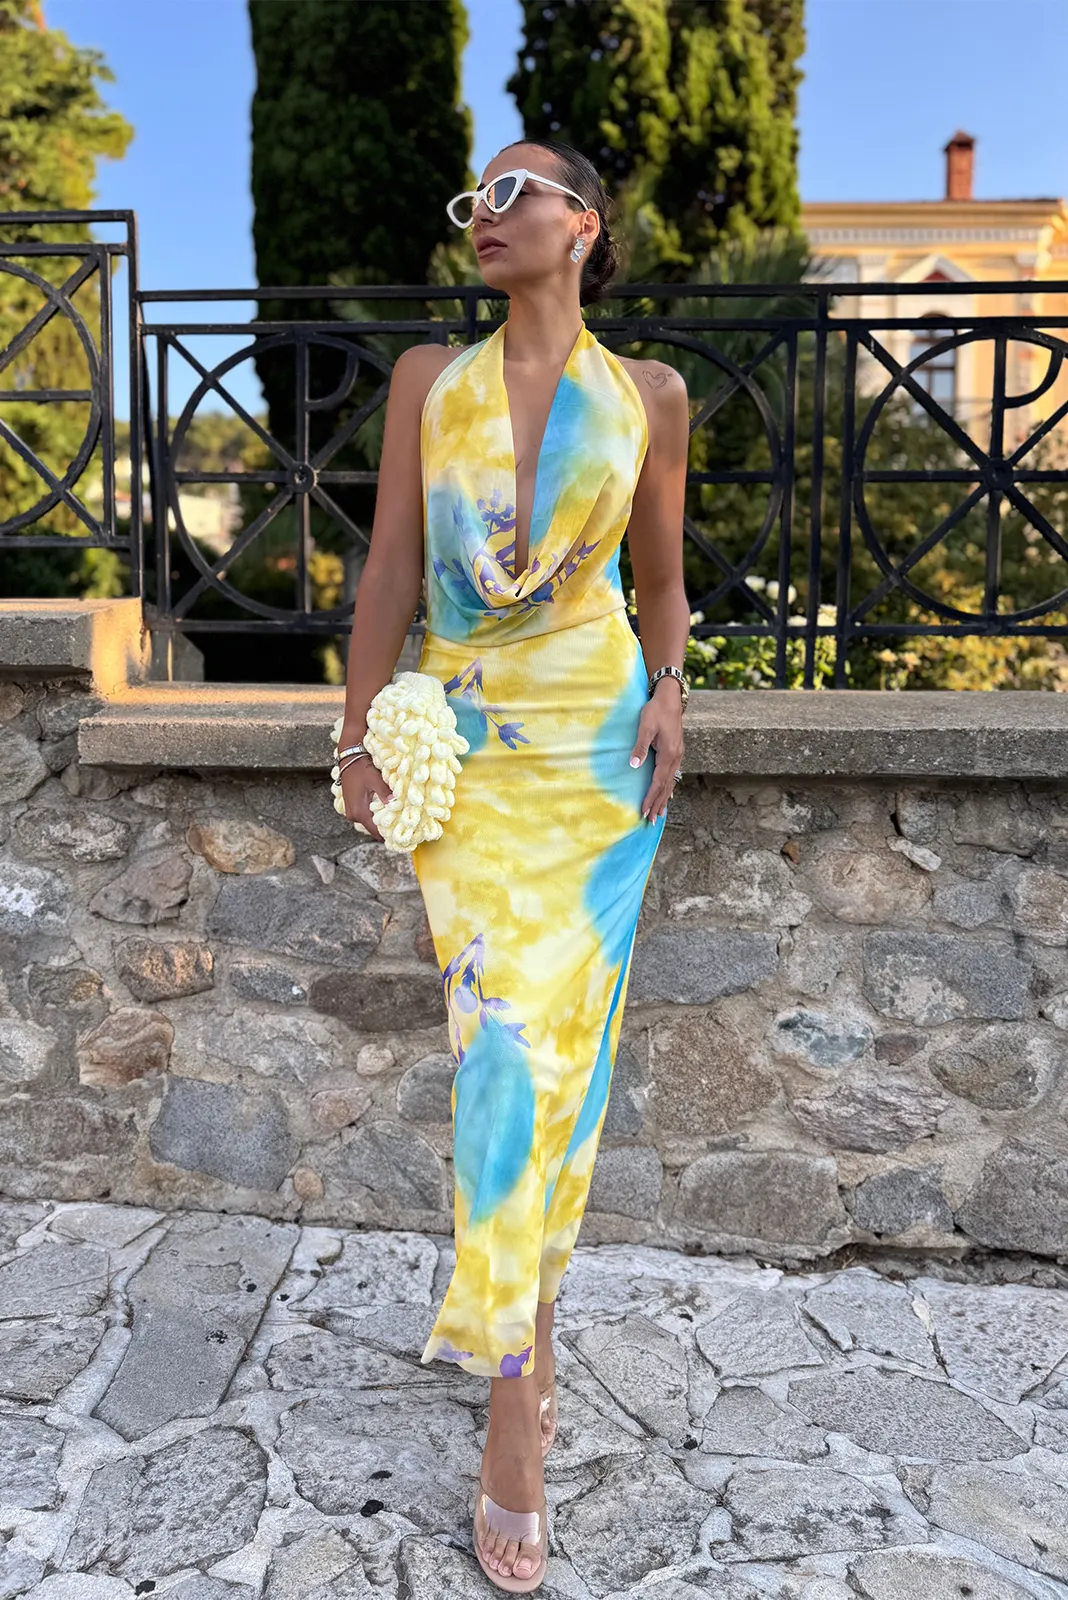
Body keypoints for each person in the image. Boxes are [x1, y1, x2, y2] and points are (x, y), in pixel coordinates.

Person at [335, 138, 690, 1593]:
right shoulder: (430, 380)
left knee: (566, 1067)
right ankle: (513, 1385)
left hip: (599, 760)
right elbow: (389, 572)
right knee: (500, 1052)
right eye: (470, 198)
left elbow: (659, 583)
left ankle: (521, 1345)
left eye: (510, 191)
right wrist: (355, 734)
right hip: (469, 750)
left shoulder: (649, 397)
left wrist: (676, 693)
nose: (482, 215)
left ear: (581, 224)